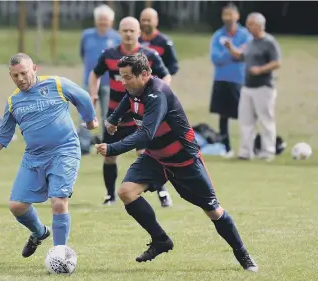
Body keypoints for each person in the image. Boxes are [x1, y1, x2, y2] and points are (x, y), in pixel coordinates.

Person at [95, 53, 258, 272]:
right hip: (155, 158)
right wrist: (114, 119)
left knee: (213, 211)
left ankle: (243, 254)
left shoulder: (157, 95)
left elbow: (145, 135)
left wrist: (112, 148)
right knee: (126, 192)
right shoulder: (135, 88)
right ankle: (161, 240)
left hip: (184, 161)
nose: (122, 82)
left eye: (126, 77)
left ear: (144, 74)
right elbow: (128, 99)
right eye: (120, 76)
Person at [0, 53, 98, 258]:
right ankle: (40, 232)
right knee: (16, 206)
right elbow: (2, 136)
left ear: (34, 69)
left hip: (64, 150)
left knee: (58, 201)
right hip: (34, 156)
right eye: (15, 76)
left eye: (24, 73)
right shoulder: (13, 102)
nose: (20, 79)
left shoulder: (56, 84)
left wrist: (90, 120)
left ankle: (59, 255)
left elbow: (81, 96)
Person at [88, 16, 173, 207]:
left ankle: (162, 192)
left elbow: (166, 76)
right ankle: (110, 195)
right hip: (115, 115)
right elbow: (95, 74)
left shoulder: (148, 55)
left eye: (132, 30)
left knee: (146, 153)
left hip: (141, 115)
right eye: (124, 30)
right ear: (119, 32)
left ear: (139, 33)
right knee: (109, 155)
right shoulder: (109, 54)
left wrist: (158, 96)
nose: (128, 34)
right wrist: (93, 94)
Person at [225, 12, 281, 161]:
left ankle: (268, 151)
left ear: (259, 25)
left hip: (264, 87)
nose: (248, 27)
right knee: (246, 120)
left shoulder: (269, 42)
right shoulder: (250, 42)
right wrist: (231, 48)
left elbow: (277, 62)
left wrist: (260, 69)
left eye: (251, 24)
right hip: (247, 87)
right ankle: (245, 152)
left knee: (265, 119)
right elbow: (241, 55)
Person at [209, 4, 251, 158]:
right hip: (221, 79)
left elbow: (244, 55)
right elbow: (215, 58)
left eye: (231, 14)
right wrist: (233, 53)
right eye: (225, 15)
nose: (228, 18)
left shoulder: (245, 35)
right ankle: (227, 148)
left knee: (244, 115)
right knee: (223, 116)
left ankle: (247, 147)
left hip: (238, 80)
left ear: (237, 16)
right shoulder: (218, 35)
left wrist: (232, 52)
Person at [79, 4, 121, 155]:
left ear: (111, 21)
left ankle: (107, 144)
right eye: (100, 20)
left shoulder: (116, 37)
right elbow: (83, 54)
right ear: (96, 21)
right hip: (89, 82)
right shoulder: (86, 35)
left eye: (106, 20)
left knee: (108, 115)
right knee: (85, 113)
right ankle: (84, 145)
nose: (103, 23)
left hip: (109, 83)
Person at [139, 8, 179, 78]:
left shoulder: (165, 42)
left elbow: (174, 66)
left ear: (156, 21)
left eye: (148, 20)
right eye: (143, 20)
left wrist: (163, 77)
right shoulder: (136, 41)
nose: (145, 23)